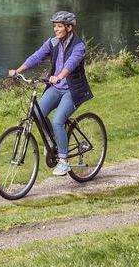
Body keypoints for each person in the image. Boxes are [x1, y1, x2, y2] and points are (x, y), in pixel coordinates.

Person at [9, 11, 92, 175]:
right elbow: (36, 57)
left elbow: (71, 63)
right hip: (56, 87)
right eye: (54, 26)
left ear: (69, 28)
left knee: (57, 121)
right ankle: (53, 141)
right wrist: (18, 71)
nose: (55, 29)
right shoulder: (53, 43)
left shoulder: (78, 46)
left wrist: (59, 76)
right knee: (37, 115)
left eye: (59, 26)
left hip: (73, 90)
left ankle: (63, 160)